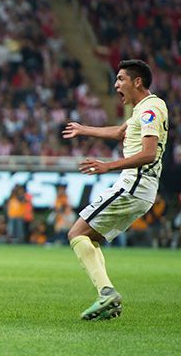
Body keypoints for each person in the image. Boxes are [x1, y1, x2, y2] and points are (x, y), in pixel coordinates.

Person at [62, 59, 168, 321]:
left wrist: (107, 166)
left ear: (137, 82)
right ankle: (107, 296)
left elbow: (148, 153)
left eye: (121, 79)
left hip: (133, 184)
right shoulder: (146, 108)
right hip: (140, 189)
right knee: (90, 239)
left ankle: (106, 292)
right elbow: (121, 133)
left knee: (76, 233)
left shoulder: (149, 110)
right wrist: (83, 129)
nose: (116, 84)